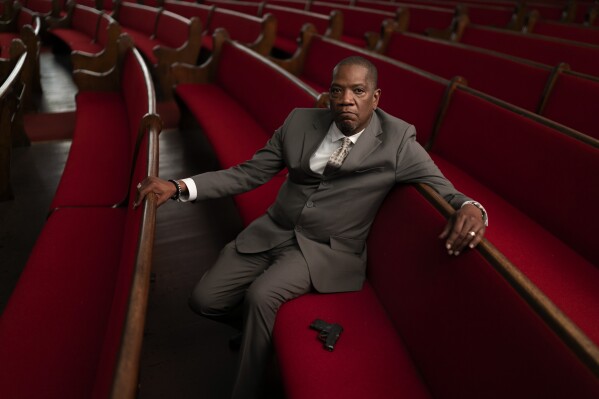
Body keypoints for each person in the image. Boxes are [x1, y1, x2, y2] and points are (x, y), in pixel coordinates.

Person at [134, 56, 488, 398]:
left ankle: (245, 390)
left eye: (358, 91)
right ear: (329, 94)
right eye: (338, 90)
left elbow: (447, 191)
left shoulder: (397, 141)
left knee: (262, 296)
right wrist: (179, 186)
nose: (346, 100)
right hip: (273, 229)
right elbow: (249, 173)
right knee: (203, 299)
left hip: (324, 250)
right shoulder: (299, 122)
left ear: (375, 97)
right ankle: (262, 337)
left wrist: (472, 208)